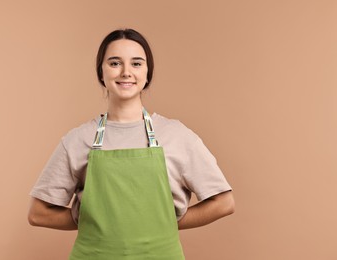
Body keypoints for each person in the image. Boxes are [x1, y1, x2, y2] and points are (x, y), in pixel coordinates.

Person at [28, 28, 235, 259]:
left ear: (148, 73)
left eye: (136, 64)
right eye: (115, 63)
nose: (126, 72)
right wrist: (90, 218)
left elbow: (224, 202)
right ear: (101, 72)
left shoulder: (177, 135)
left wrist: (163, 222)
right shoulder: (78, 140)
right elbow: (38, 214)